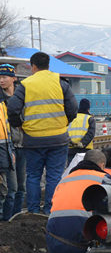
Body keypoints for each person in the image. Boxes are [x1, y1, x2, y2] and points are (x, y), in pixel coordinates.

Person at [7, 51, 78, 215]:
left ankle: (33, 212)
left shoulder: (26, 84)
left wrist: (19, 125)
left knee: (33, 176)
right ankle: (50, 210)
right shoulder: (60, 83)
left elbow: (13, 108)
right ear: (48, 66)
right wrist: (64, 122)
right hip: (58, 139)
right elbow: (73, 108)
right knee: (54, 177)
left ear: (33, 67)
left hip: (33, 139)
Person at [46, 150, 111, 253]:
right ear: (102, 165)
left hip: (54, 246)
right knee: (108, 224)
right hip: (83, 248)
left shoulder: (63, 181)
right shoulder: (104, 179)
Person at [0, 65, 24, 217]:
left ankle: (17, 215)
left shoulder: (22, 96)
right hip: (8, 146)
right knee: (11, 186)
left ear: (14, 79)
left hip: (23, 145)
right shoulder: (1, 99)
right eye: (0, 77)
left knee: (22, 185)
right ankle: (7, 217)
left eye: (4, 77)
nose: (1, 80)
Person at [0, 75, 16, 221]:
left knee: (11, 189)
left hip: (8, 149)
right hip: (4, 150)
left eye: (4, 77)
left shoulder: (4, 104)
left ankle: (7, 220)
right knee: (4, 189)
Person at [67, 98, 96, 163]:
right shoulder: (90, 119)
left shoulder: (72, 117)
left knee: (72, 170)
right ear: (88, 108)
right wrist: (82, 143)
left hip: (71, 149)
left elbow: (66, 130)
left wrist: (70, 142)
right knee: (83, 170)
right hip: (85, 150)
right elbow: (90, 134)